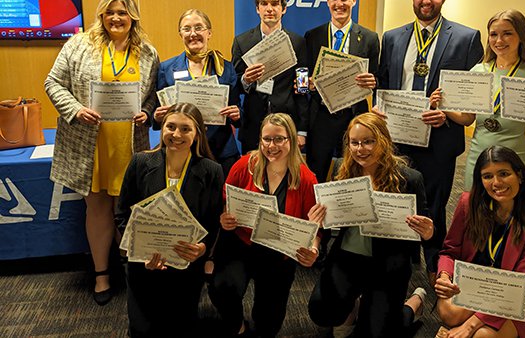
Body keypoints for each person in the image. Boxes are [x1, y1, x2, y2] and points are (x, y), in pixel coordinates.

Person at [44, 0, 159, 305]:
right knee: (97, 210)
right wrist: (76, 110)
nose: (116, 18)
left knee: (130, 211)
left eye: (122, 12)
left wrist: (147, 112)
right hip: (90, 145)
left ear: (132, 16)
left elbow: (152, 96)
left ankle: (132, 271)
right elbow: (52, 83)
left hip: (130, 145)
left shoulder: (148, 52)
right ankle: (101, 274)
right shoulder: (79, 45)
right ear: (101, 15)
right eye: (110, 12)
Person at [377, 0, 483, 281]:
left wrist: (448, 112)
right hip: (398, 136)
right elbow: (385, 83)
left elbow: (472, 95)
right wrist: (381, 110)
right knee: (398, 197)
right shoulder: (392, 37)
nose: (427, 1)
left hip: (440, 138)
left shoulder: (466, 38)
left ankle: (436, 261)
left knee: (434, 203)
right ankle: (403, 255)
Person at [308, 113, 434, 337]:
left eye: (368, 141)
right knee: (321, 311)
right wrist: (316, 232)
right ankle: (353, 306)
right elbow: (327, 225)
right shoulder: (340, 170)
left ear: (383, 140)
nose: (360, 149)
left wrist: (428, 233)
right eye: (354, 142)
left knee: (376, 333)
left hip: (387, 265)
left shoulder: (409, 178)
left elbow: (426, 233)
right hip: (348, 257)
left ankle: (413, 304)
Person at [430, 9, 525, 188]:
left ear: (521, 36)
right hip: (479, 155)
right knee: (475, 210)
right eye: (493, 34)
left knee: (513, 211)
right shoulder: (478, 72)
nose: (499, 40)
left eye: (507, 34)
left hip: (514, 157)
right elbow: (467, 119)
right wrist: (443, 105)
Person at [116, 103, 224, 337]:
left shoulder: (212, 171)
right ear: (161, 128)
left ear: (197, 135)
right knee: (143, 330)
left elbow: (213, 221)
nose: (176, 135)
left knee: (180, 328)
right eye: (170, 127)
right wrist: (140, 252)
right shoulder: (140, 163)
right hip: (144, 266)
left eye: (185, 129)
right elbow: (122, 214)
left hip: (185, 265)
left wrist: (203, 248)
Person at [209, 113, 319, 337]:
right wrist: (224, 217)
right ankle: (238, 326)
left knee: (269, 322)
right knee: (222, 289)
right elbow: (225, 199)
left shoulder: (306, 178)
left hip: (280, 252)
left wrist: (314, 248)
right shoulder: (245, 165)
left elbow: (314, 224)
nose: (272, 146)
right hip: (242, 243)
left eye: (279, 139)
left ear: (292, 140)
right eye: (266, 139)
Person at [435, 145, 525, 338]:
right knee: (450, 314)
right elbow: (450, 250)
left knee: (483, 335)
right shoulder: (468, 203)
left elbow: (520, 285)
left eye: (504, 173)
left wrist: (471, 325)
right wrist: (444, 276)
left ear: (520, 176)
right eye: (487, 176)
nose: (496, 182)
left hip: (510, 298)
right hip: (473, 284)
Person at [304, 0, 379, 184]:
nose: (339, 4)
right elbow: (302, 74)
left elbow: (378, 78)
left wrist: (372, 81)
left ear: (354, 0)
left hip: (355, 117)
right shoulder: (313, 36)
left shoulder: (369, 38)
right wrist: (306, 84)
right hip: (320, 118)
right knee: (317, 174)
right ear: (327, 2)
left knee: (355, 173)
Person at [154, 9, 241, 178]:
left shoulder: (226, 68)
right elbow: (157, 117)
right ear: (180, 34)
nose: (193, 34)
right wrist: (158, 117)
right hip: (180, 149)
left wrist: (236, 114)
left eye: (198, 28)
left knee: (220, 203)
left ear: (209, 33)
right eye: (187, 29)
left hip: (221, 151)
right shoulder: (166, 69)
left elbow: (238, 111)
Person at [232, 0, 309, 154]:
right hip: (253, 126)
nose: (269, 9)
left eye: (275, 4)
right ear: (257, 9)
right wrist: (246, 80)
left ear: (284, 9)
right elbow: (234, 85)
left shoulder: (298, 42)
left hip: (287, 125)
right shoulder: (241, 42)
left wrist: (301, 131)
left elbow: (302, 89)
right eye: (264, 3)